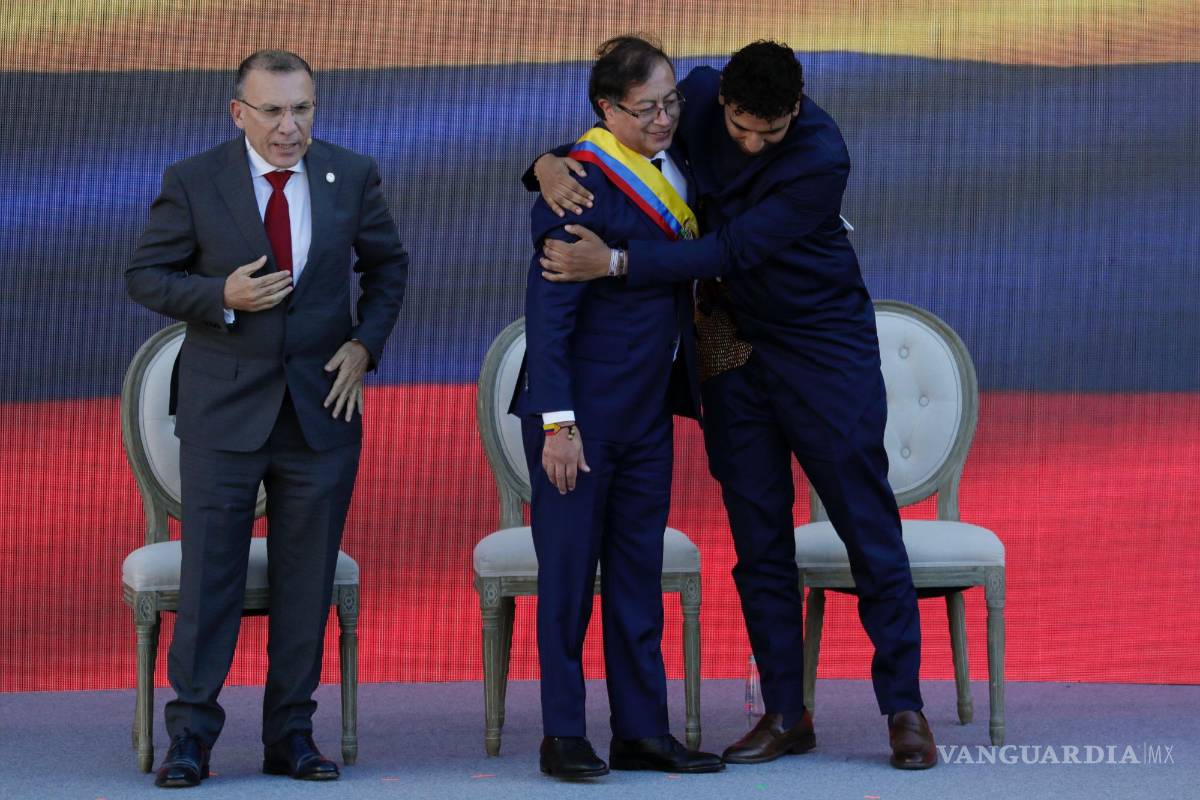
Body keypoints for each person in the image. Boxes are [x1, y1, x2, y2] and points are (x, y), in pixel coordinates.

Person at [529, 40, 937, 770]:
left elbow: (730, 249)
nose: (750, 142)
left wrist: (616, 262)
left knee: (868, 528)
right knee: (757, 542)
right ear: (719, 102)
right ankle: (785, 712)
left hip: (820, 350)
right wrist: (544, 164)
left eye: (768, 133)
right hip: (728, 353)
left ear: (797, 109)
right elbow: (619, 138)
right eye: (740, 127)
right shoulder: (695, 99)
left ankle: (903, 706)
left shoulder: (821, 155)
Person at [126, 49, 408, 787]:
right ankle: (191, 736)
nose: (290, 128)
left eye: (303, 109)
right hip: (224, 413)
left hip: (321, 412)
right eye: (275, 111)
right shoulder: (194, 180)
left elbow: (388, 268)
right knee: (209, 577)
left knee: (305, 580)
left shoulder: (352, 173)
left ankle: (291, 735)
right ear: (239, 113)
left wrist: (363, 345)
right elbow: (146, 274)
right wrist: (222, 295)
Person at [509, 35, 723, 779]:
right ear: (607, 109)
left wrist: (537, 154)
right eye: (646, 108)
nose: (665, 118)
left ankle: (641, 730)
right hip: (582, 419)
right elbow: (550, 320)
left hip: (647, 412)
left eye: (671, 103)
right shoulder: (576, 185)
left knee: (637, 578)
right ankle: (563, 733)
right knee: (568, 579)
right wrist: (558, 425)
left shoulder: (682, 165)